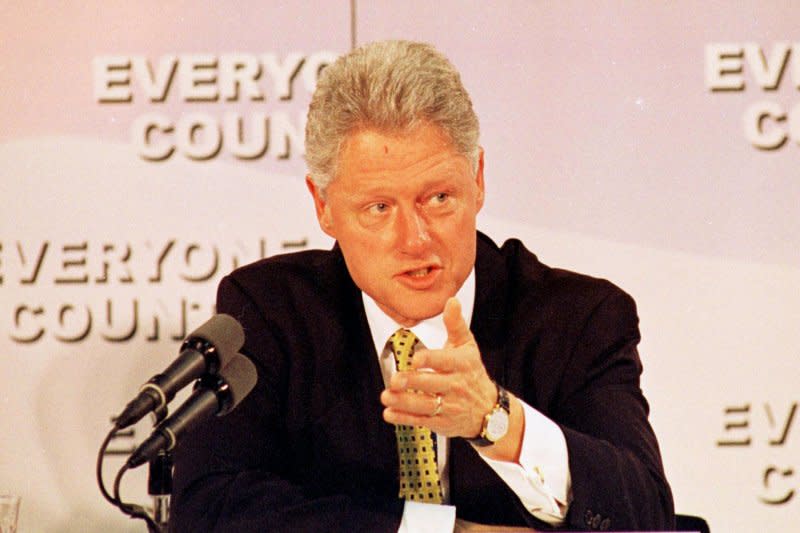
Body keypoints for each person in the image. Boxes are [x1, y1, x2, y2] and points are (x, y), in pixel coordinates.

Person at [170, 40, 674, 532]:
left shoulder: (577, 318)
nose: (415, 238)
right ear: (323, 205)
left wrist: (497, 422)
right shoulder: (269, 313)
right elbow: (209, 509)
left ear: (477, 178)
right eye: (379, 208)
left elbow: (649, 518)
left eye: (438, 197)